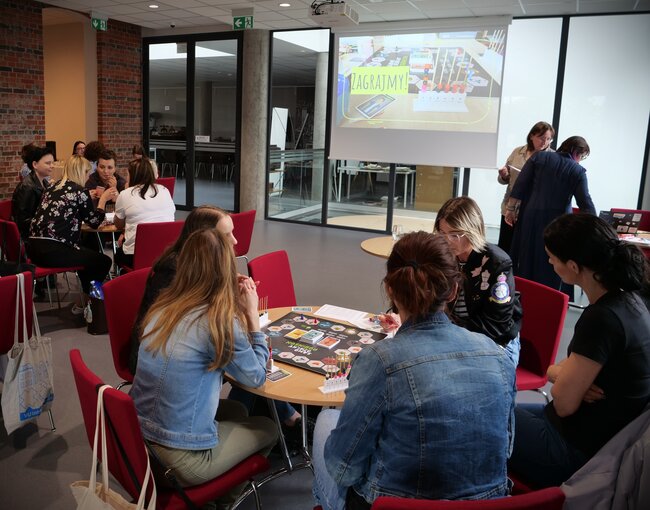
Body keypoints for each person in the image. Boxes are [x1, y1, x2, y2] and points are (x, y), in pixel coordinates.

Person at [313, 232, 516, 510]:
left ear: (391, 290)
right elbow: (505, 450)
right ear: (453, 291)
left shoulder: (379, 361)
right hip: (487, 503)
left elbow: (343, 469)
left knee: (327, 419)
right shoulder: (498, 356)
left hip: (392, 503)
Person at [130, 228, 277, 506]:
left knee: (237, 410)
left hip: (138, 445)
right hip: (179, 461)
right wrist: (250, 315)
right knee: (269, 428)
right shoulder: (217, 322)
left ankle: (214, 493)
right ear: (226, 270)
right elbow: (256, 376)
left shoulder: (162, 306)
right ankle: (222, 503)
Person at [127, 205, 302, 429]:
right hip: (178, 429)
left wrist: (222, 286)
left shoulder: (169, 299)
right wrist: (250, 314)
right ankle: (287, 421)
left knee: (239, 395)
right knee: (259, 407)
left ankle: (284, 415)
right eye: (226, 235)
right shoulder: (209, 315)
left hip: (140, 421)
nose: (235, 241)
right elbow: (255, 375)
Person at [509, 213, 650, 488]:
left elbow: (563, 404)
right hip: (599, 438)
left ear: (573, 266)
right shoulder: (632, 300)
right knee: (499, 410)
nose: (549, 262)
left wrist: (565, 379)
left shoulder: (603, 318)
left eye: (552, 257)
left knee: (483, 418)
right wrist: (564, 377)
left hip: (574, 451)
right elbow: (559, 372)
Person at [434, 196, 522, 366]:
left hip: (495, 342)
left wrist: (445, 332)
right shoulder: (444, 256)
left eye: (455, 234)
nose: (447, 241)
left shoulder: (496, 263)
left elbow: (495, 326)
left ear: (472, 231)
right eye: (442, 233)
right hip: (452, 334)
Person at [505, 136, 596, 296]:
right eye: (582, 156)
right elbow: (585, 202)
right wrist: (596, 227)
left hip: (531, 217)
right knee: (554, 262)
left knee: (527, 258)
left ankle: (524, 295)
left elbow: (520, 184)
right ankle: (552, 299)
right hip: (560, 224)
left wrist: (510, 209)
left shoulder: (539, 157)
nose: (580, 160)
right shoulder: (577, 171)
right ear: (576, 152)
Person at [28, 155, 117, 313]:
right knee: (103, 261)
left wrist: (86, 197)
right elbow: (94, 222)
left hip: (34, 250)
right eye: (86, 173)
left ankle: (85, 301)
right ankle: (91, 304)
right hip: (54, 251)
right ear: (80, 172)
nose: (88, 177)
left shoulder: (52, 187)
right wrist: (103, 200)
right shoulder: (79, 191)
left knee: (88, 258)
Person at [497, 121, 555, 252]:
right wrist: (504, 175)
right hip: (510, 207)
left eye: (548, 139)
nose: (545, 142)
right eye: (541, 138)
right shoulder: (518, 152)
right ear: (532, 136)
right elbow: (504, 180)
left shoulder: (552, 157)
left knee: (525, 249)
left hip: (533, 210)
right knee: (505, 246)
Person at [113, 158, 175, 268]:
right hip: (166, 254)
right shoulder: (164, 190)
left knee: (117, 254)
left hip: (136, 255)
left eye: (128, 174)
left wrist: (126, 191)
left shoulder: (126, 194)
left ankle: (127, 277)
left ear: (134, 175)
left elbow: (118, 224)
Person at [11, 146, 53, 240]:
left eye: (52, 163)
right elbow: (22, 221)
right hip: (30, 238)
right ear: (35, 164)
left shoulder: (44, 182)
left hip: (39, 231)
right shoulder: (27, 187)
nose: (52, 166)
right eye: (48, 163)